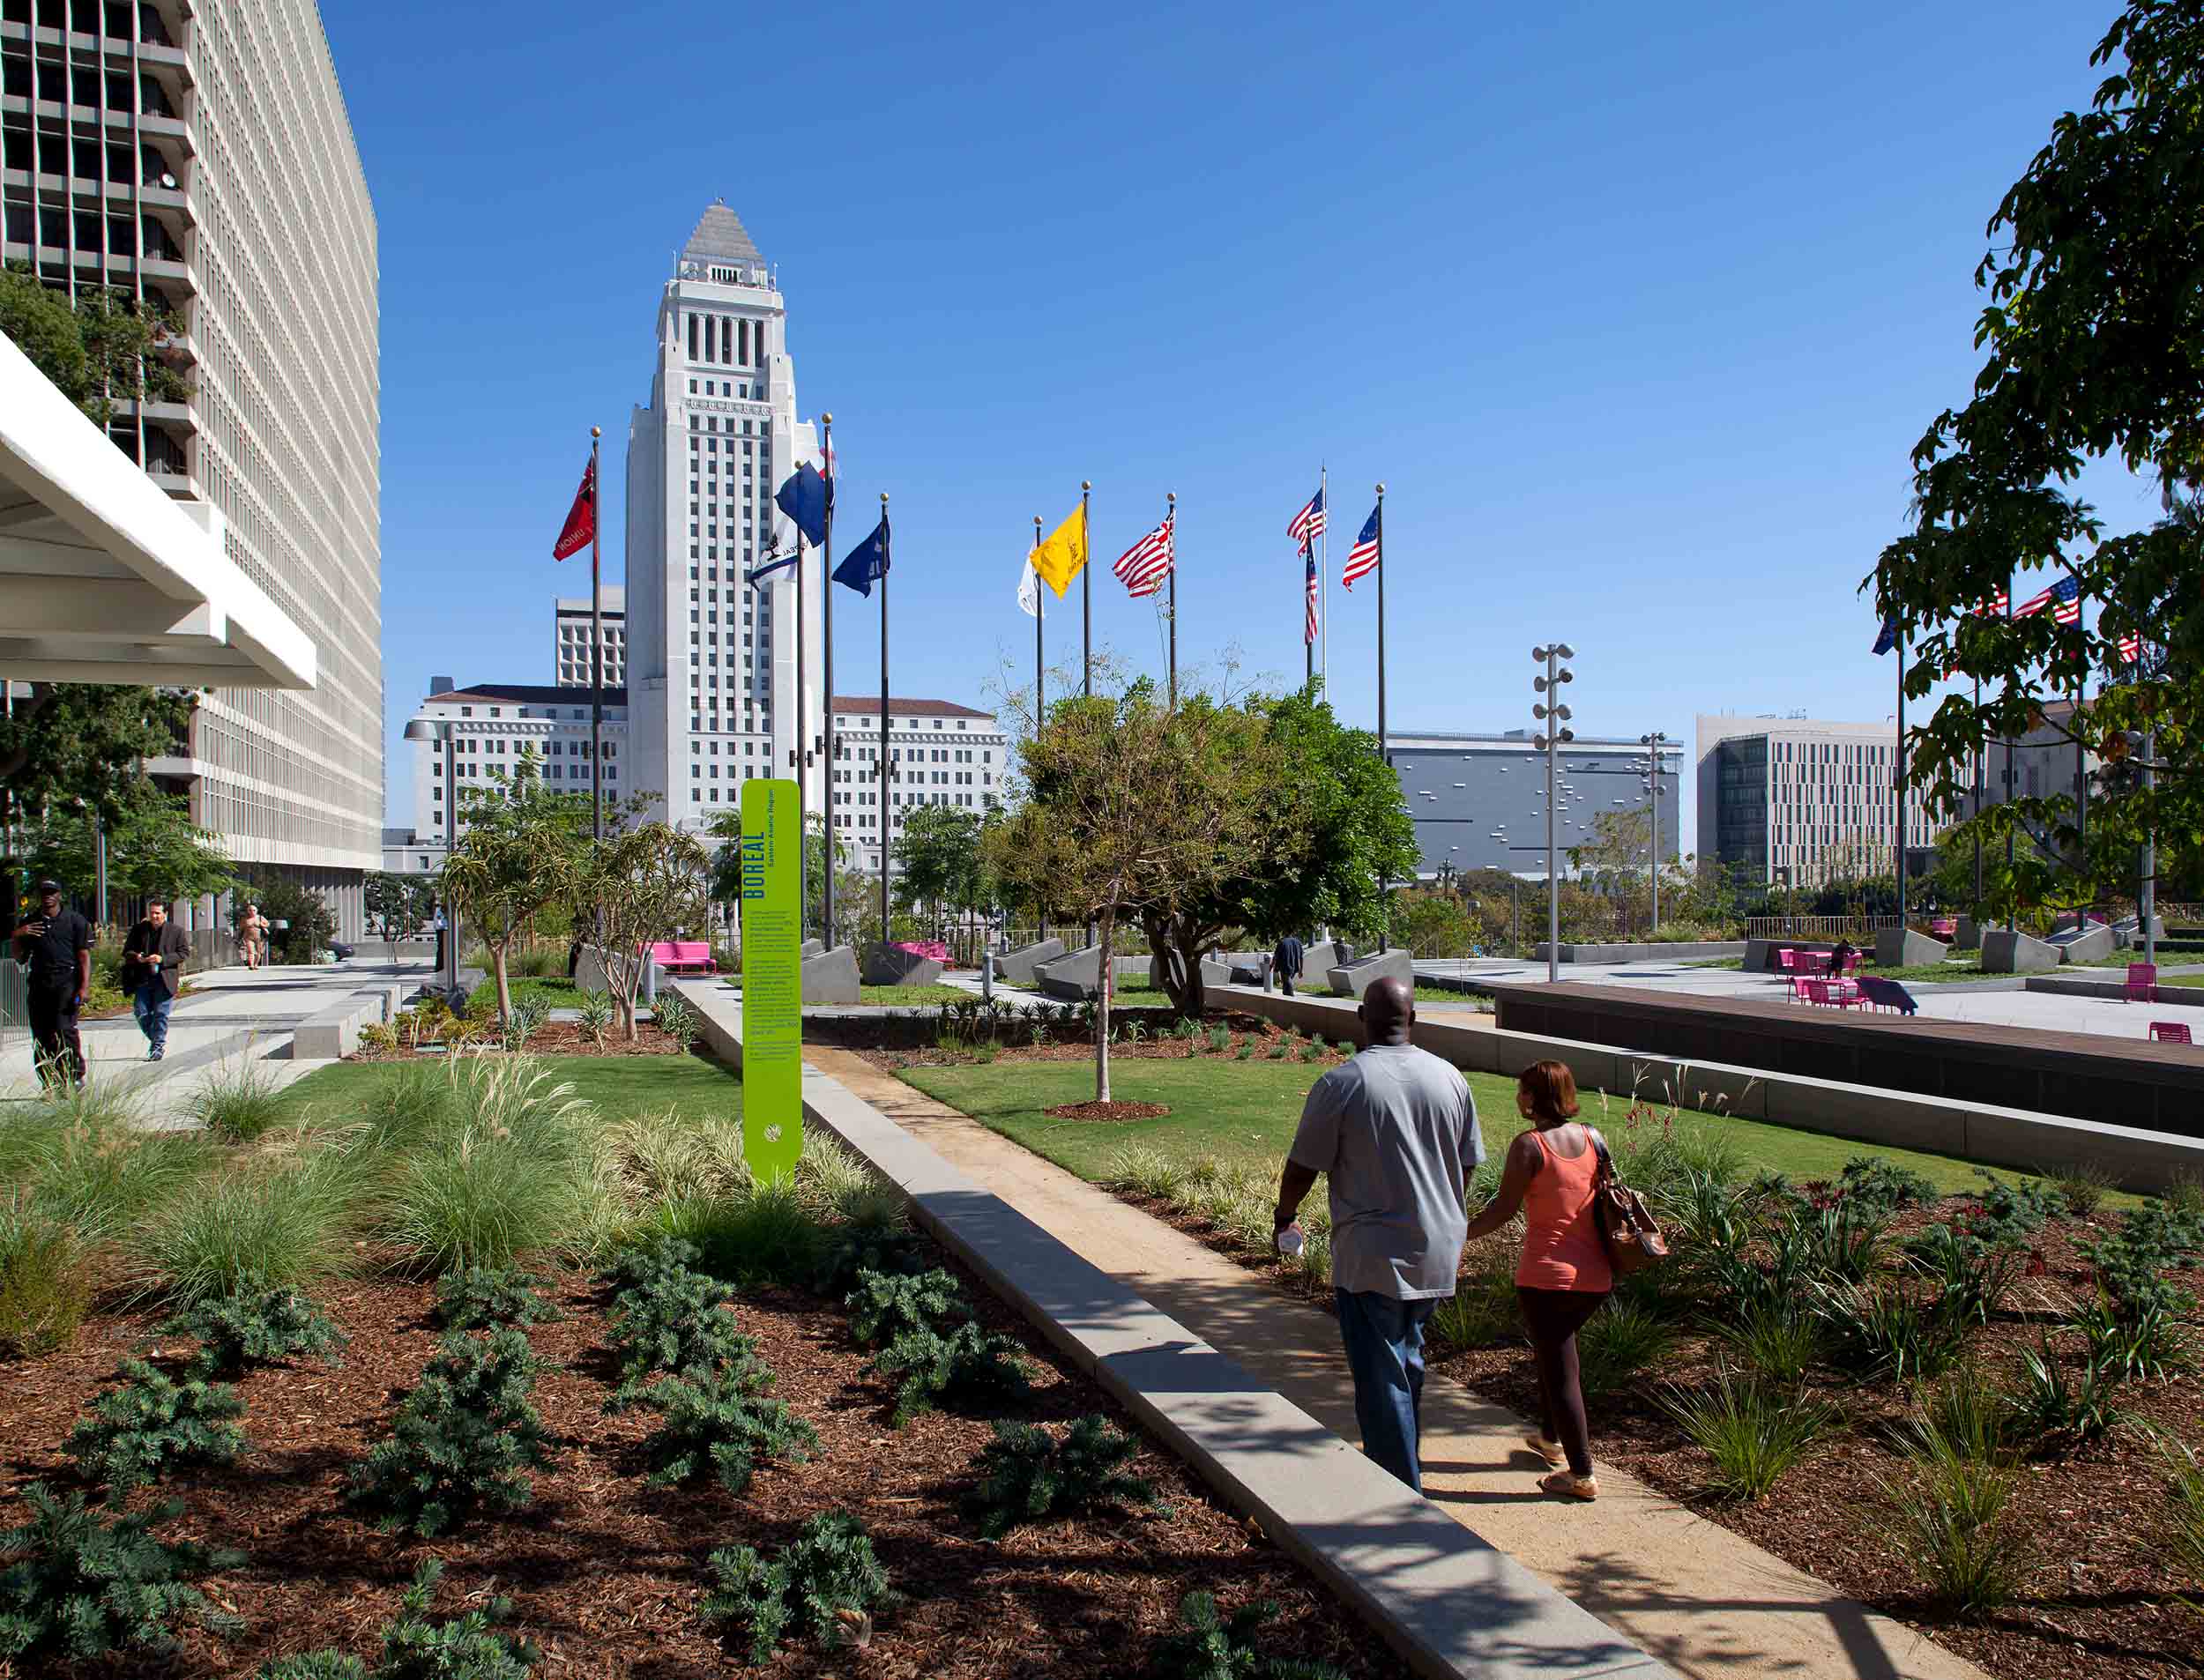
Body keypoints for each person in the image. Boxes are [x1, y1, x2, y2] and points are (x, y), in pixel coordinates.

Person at [1270, 976, 1481, 1491]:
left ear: (1361, 1019)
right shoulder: (1450, 1079)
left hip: (1372, 1259)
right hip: (1436, 1250)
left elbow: (1302, 1167)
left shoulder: (1342, 1083)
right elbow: (1466, 1165)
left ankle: (1401, 1497)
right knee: (1406, 1359)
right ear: (1413, 1021)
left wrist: (1283, 1216)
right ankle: (1406, 1465)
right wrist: (1444, 1215)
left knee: (1382, 1378)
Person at [1461, 1059, 1614, 1500]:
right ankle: (1549, 1439)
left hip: (1546, 1278)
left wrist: (1456, 1234)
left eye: (1521, 1090)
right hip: (1597, 1276)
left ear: (1532, 1098)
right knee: (1557, 1355)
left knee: (1561, 1370)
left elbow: (1502, 1211)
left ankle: (1581, 1474)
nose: (1517, 1097)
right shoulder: (1594, 1139)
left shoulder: (1529, 1146)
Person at [12, 879, 90, 1087]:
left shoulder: (75, 921)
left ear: (59, 895)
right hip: (39, 983)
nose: (48, 896)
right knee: (41, 1034)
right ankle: (49, 1080)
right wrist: (17, 936)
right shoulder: (30, 923)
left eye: (52, 892)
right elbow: (19, 958)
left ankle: (74, 1075)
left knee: (65, 1030)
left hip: (66, 982)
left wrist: (83, 988)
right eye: (44, 892)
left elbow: (83, 956)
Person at [120, 898, 191, 1061]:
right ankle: (157, 1040)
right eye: (151, 913)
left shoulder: (176, 931)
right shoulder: (139, 930)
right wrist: (137, 957)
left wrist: (162, 959)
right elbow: (127, 951)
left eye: (158, 913)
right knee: (141, 1012)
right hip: (143, 978)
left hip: (164, 978)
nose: (154, 916)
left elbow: (184, 953)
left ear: (165, 914)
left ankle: (157, 1048)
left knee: (161, 1014)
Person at [238, 901, 269, 970]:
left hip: (259, 937)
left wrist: (263, 925)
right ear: (248, 911)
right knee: (250, 951)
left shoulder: (260, 917)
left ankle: (256, 964)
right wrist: (239, 936)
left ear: (256, 911)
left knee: (259, 952)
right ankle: (251, 965)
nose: (252, 911)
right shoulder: (245, 919)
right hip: (248, 937)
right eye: (250, 910)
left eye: (254, 910)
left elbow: (267, 924)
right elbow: (241, 928)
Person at [1272, 932, 1305, 997]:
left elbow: (1276, 956)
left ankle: (1291, 996)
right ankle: (1286, 995)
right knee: (1285, 982)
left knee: (1287, 980)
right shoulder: (1298, 942)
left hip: (1285, 965)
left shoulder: (1282, 942)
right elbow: (1301, 957)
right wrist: (1301, 970)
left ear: (1284, 934)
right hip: (1294, 966)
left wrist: (1272, 965)